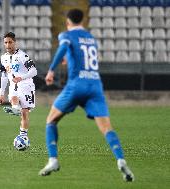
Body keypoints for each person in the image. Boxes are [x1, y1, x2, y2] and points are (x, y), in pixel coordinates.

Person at [38, 9, 134, 182]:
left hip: (76, 85)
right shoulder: (91, 39)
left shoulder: (65, 35)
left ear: (68, 21)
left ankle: (53, 160)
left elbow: (63, 49)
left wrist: (51, 70)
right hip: (95, 86)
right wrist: (69, 59)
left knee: (51, 120)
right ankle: (120, 159)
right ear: (83, 21)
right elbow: (84, 58)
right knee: (107, 128)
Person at [0, 32, 37, 137]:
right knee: (13, 97)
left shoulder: (22, 56)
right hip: (13, 86)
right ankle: (15, 108)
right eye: (5, 43)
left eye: (10, 42)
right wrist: (1, 93)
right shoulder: (3, 58)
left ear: (15, 43)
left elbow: (34, 71)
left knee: (24, 113)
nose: (7, 45)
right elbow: (4, 76)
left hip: (26, 86)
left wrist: (21, 77)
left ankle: (23, 135)